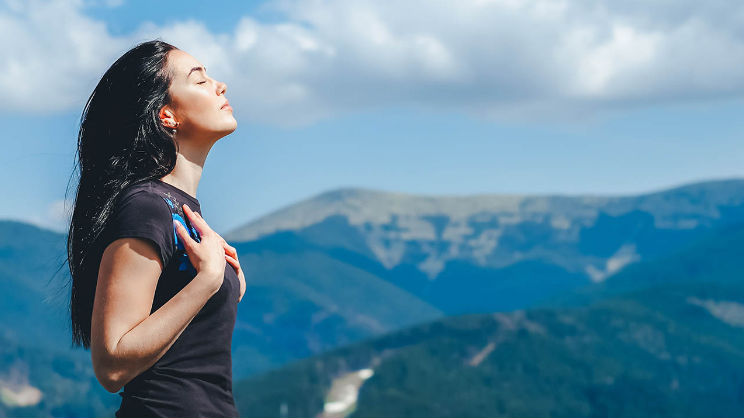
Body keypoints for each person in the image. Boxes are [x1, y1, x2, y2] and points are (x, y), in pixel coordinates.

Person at [65, 39, 246, 417]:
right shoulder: (146, 206)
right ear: (167, 115)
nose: (220, 85)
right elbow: (112, 364)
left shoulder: (180, 210)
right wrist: (207, 282)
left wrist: (228, 287)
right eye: (199, 81)